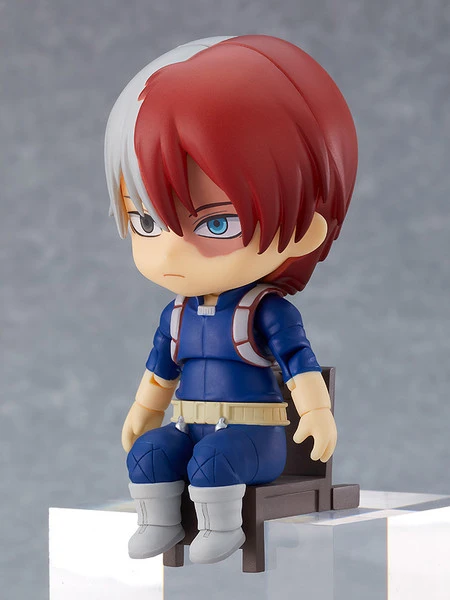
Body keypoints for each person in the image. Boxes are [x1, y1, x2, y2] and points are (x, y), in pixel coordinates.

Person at [104, 34, 358, 565]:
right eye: (146, 221)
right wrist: (144, 410)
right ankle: (158, 522)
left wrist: (316, 412)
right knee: (149, 454)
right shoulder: (175, 315)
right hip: (188, 424)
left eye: (215, 223)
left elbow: (298, 362)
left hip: (252, 438)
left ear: (305, 229)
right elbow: (160, 371)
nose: (170, 251)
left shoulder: (265, 311)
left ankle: (222, 530)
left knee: (215, 462)